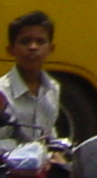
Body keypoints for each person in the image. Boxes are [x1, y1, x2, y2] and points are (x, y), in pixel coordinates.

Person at [0, 10, 61, 159]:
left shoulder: (52, 88)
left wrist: (58, 154)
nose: (33, 47)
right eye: (25, 42)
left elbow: (49, 134)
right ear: (11, 50)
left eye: (40, 42)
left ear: (50, 49)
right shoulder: (2, 92)